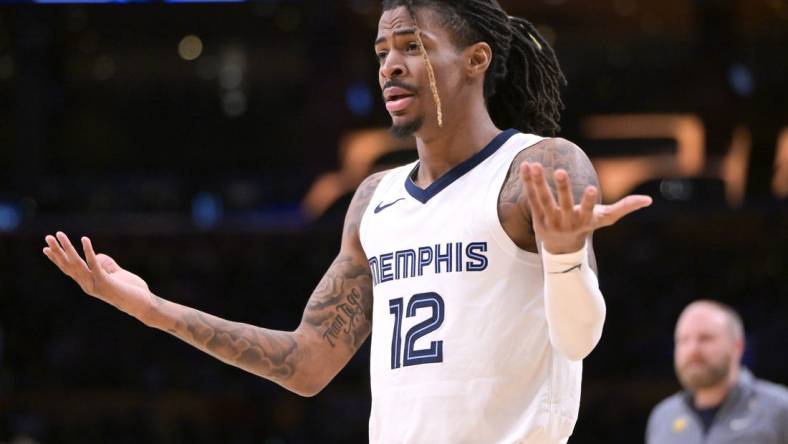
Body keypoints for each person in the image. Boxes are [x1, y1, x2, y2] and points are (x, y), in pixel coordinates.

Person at [42, 1, 652, 443]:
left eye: (413, 46)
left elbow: (577, 340)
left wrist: (569, 258)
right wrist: (150, 308)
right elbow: (307, 364)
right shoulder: (373, 199)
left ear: (476, 60)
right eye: (383, 51)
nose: (389, 65)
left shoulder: (538, 166)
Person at [646, 300, 788, 444]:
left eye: (706, 338)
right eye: (683, 340)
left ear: (737, 346)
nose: (693, 350)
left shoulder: (779, 409)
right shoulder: (663, 417)